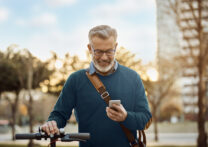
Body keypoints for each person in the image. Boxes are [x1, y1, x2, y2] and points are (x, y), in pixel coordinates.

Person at [41, 25, 152, 147]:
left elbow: (145, 119)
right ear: (89, 48)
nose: (104, 57)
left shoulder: (133, 78)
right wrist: (52, 124)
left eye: (109, 51)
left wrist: (126, 117)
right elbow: (59, 115)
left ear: (115, 47)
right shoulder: (75, 80)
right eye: (98, 52)